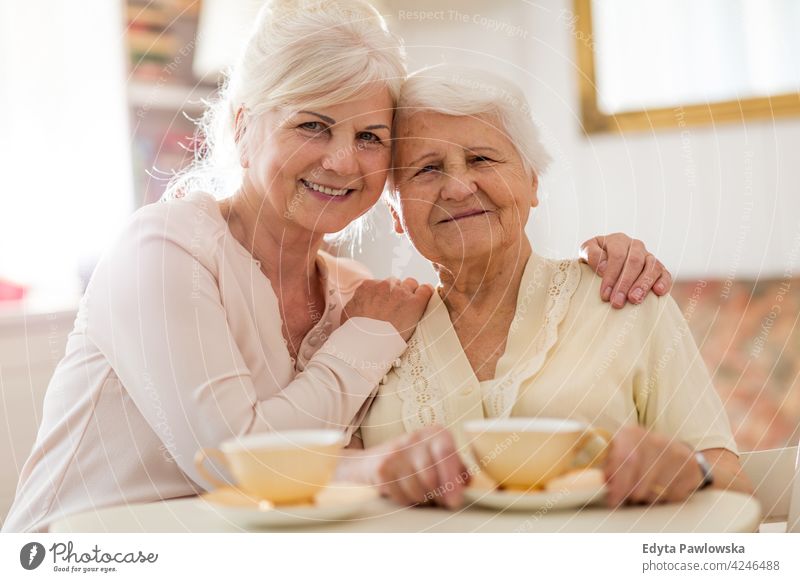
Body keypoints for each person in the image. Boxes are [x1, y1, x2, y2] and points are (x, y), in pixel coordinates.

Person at [3, 1, 670, 532]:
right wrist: (376, 430)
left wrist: (599, 262)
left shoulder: (355, 295)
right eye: (314, 126)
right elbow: (236, 463)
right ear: (243, 125)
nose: (344, 162)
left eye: (370, 138)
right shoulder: (164, 250)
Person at [356, 65, 753, 509]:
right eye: (427, 169)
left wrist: (686, 470)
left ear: (532, 182)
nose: (459, 186)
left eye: (481, 159)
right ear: (395, 212)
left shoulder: (626, 298)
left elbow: (734, 483)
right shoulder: (374, 331)